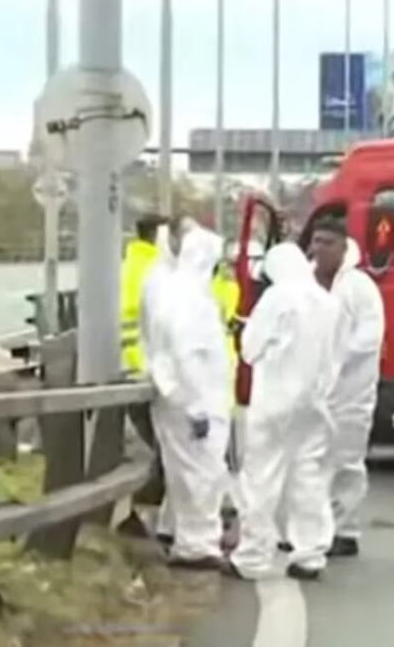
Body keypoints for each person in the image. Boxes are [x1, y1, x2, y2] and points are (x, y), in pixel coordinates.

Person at [228, 243, 342, 580]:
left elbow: (250, 350)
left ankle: (252, 557)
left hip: (274, 402)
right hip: (313, 404)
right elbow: (337, 357)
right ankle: (310, 554)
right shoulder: (329, 302)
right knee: (307, 478)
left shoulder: (277, 297)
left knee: (261, 478)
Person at [147, 225, 232, 569]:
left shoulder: (180, 292)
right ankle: (197, 546)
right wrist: (195, 407)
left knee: (193, 474)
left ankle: (192, 539)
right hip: (194, 400)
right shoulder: (189, 299)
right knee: (199, 475)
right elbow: (187, 354)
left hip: (189, 398)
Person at [308, 216, 385, 558]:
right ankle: (310, 529)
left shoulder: (359, 287)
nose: (319, 249)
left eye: (327, 242)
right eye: (316, 241)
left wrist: (332, 360)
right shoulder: (305, 283)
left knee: (345, 462)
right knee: (310, 462)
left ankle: (344, 530)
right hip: (310, 391)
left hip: (350, 392)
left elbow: (369, 337)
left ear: (343, 247)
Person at [121, 213, 168, 376]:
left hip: (131, 361)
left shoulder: (133, 262)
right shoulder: (155, 268)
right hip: (148, 364)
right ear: (156, 235)